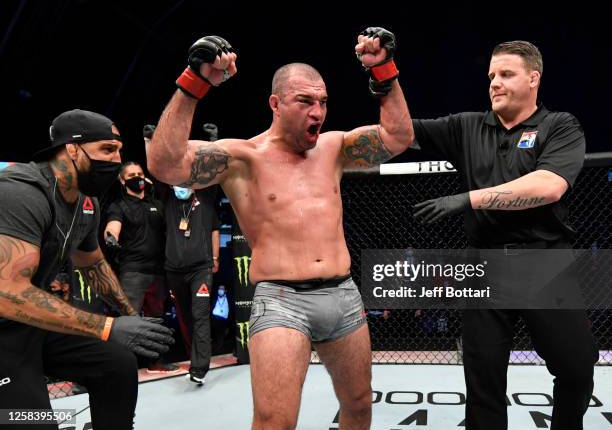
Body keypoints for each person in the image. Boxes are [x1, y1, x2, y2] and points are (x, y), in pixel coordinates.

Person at [146, 28, 414, 429]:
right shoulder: (244, 158)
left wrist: (383, 71)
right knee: (275, 421)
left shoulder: (334, 147)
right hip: (283, 302)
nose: (317, 112)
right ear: (275, 103)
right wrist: (193, 82)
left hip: (342, 295)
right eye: (305, 101)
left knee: (358, 404)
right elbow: (165, 165)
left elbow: (398, 137)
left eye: (323, 102)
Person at [411, 41, 598, 430]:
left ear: (533, 79)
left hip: (546, 262)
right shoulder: (466, 126)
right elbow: (398, 132)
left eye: (506, 74)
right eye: (491, 76)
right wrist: (384, 75)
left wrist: (468, 199)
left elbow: (548, 186)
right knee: (483, 381)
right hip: (484, 265)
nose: (494, 83)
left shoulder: (560, 125)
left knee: (578, 367)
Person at [0, 109, 174, 430]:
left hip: (32, 323)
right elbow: (8, 295)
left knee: (117, 364)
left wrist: (129, 317)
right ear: (72, 149)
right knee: (31, 420)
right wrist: (108, 327)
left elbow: (93, 265)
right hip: (5, 327)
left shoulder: (85, 202)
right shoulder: (22, 192)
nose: (117, 160)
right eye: (107, 150)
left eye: (119, 150)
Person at [104, 161, 178, 373]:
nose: (137, 177)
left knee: (157, 320)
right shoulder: (118, 206)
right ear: (122, 180)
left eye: (140, 174)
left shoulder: (157, 204)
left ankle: (156, 362)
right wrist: (111, 237)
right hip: (132, 272)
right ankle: (121, 369)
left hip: (158, 271)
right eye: (131, 175)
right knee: (128, 322)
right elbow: (112, 227)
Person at [163, 183, 221, 385]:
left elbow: (215, 229)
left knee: (200, 314)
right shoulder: (168, 202)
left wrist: (215, 257)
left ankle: (199, 368)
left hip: (201, 270)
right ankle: (192, 356)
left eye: (185, 184)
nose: (181, 187)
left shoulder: (205, 202)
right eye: (177, 184)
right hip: (174, 271)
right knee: (187, 317)